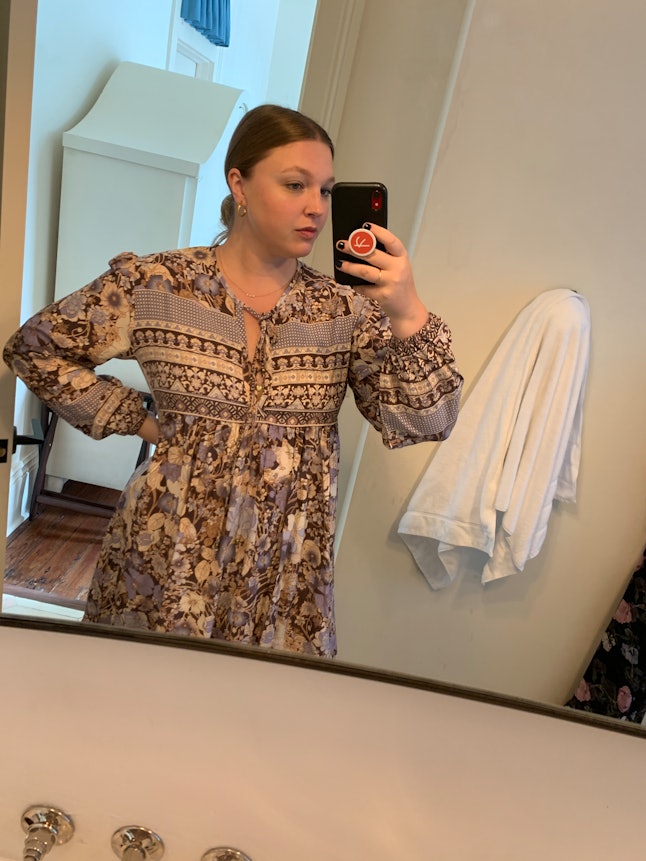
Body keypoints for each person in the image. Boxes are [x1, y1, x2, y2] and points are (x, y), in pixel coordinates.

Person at [3, 104, 463, 658]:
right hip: (163, 556)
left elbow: (426, 421)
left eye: (325, 190)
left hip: (283, 573)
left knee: (255, 707)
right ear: (239, 184)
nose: (316, 208)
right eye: (295, 185)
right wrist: (138, 421)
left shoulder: (345, 310)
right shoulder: (158, 285)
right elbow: (36, 348)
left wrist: (407, 310)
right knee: (140, 695)